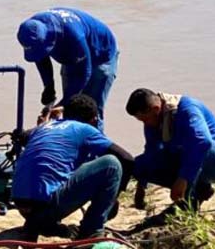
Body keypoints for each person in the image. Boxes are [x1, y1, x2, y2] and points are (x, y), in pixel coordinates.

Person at [11, 94, 134, 240]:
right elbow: (127, 159)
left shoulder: (43, 128)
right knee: (111, 164)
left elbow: (23, 137)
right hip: (47, 206)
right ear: (93, 119)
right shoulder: (85, 129)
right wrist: (114, 198)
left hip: (22, 206)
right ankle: (91, 230)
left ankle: (41, 223)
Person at [125, 88, 215, 218]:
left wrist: (183, 179)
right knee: (139, 165)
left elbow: (202, 143)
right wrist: (141, 185)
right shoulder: (154, 120)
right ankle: (200, 189)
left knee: (195, 143)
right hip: (188, 156)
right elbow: (152, 151)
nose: (145, 124)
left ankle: (187, 202)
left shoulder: (187, 109)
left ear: (156, 109)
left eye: (145, 120)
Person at [17, 7, 119, 127]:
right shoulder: (32, 28)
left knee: (90, 113)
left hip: (101, 55)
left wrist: (64, 102)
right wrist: (49, 86)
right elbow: (40, 57)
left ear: (47, 39)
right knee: (70, 113)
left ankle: (95, 137)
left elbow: (85, 72)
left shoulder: (74, 35)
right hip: (71, 57)